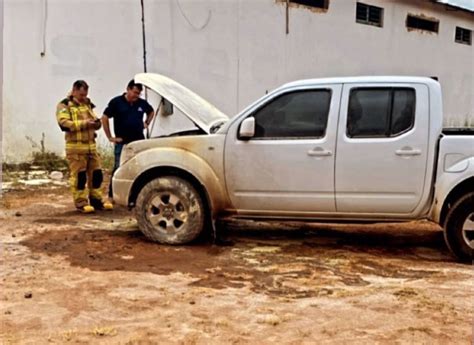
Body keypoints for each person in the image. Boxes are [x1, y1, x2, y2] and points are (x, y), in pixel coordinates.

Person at [56, 80, 113, 213]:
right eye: (81, 94)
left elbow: (94, 121)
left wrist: (96, 123)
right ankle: (81, 203)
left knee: (97, 174)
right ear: (74, 91)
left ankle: (96, 200)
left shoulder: (87, 104)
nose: (83, 97)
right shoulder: (64, 105)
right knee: (79, 177)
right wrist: (85, 123)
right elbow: (64, 123)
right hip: (75, 148)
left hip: (91, 147)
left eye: (85, 94)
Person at [102, 80, 154, 200]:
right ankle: (112, 196)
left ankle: (138, 196)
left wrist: (146, 123)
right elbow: (104, 118)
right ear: (128, 89)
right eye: (135, 92)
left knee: (141, 168)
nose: (136, 96)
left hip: (139, 141)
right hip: (122, 142)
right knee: (118, 168)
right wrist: (110, 137)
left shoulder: (142, 103)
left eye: (138, 93)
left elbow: (151, 112)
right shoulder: (116, 102)